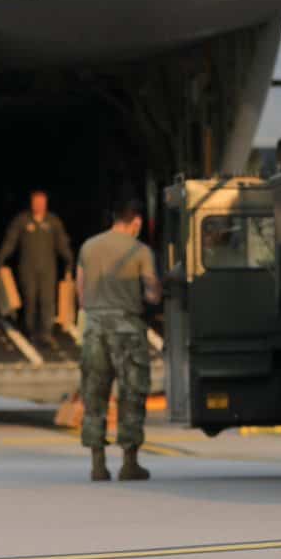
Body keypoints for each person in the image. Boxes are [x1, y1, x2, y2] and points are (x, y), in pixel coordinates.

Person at [76, 200, 161, 482]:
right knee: (131, 394)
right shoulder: (140, 250)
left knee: (94, 395)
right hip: (127, 329)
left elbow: (80, 293)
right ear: (135, 222)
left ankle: (98, 465)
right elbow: (152, 294)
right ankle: (129, 464)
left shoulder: (88, 247)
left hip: (94, 329)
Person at [0, 191, 74, 342]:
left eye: (42, 203)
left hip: (48, 269)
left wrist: (69, 260)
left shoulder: (52, 221)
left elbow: (62, 242)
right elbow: (11, 240)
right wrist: (1, 258)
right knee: (30, 299)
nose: (39, 206)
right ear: (31, 204)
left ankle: (46, 332)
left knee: (47, 300)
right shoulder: (22, 220)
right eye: (36, 203)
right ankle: (30, 330)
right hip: (28, 268)